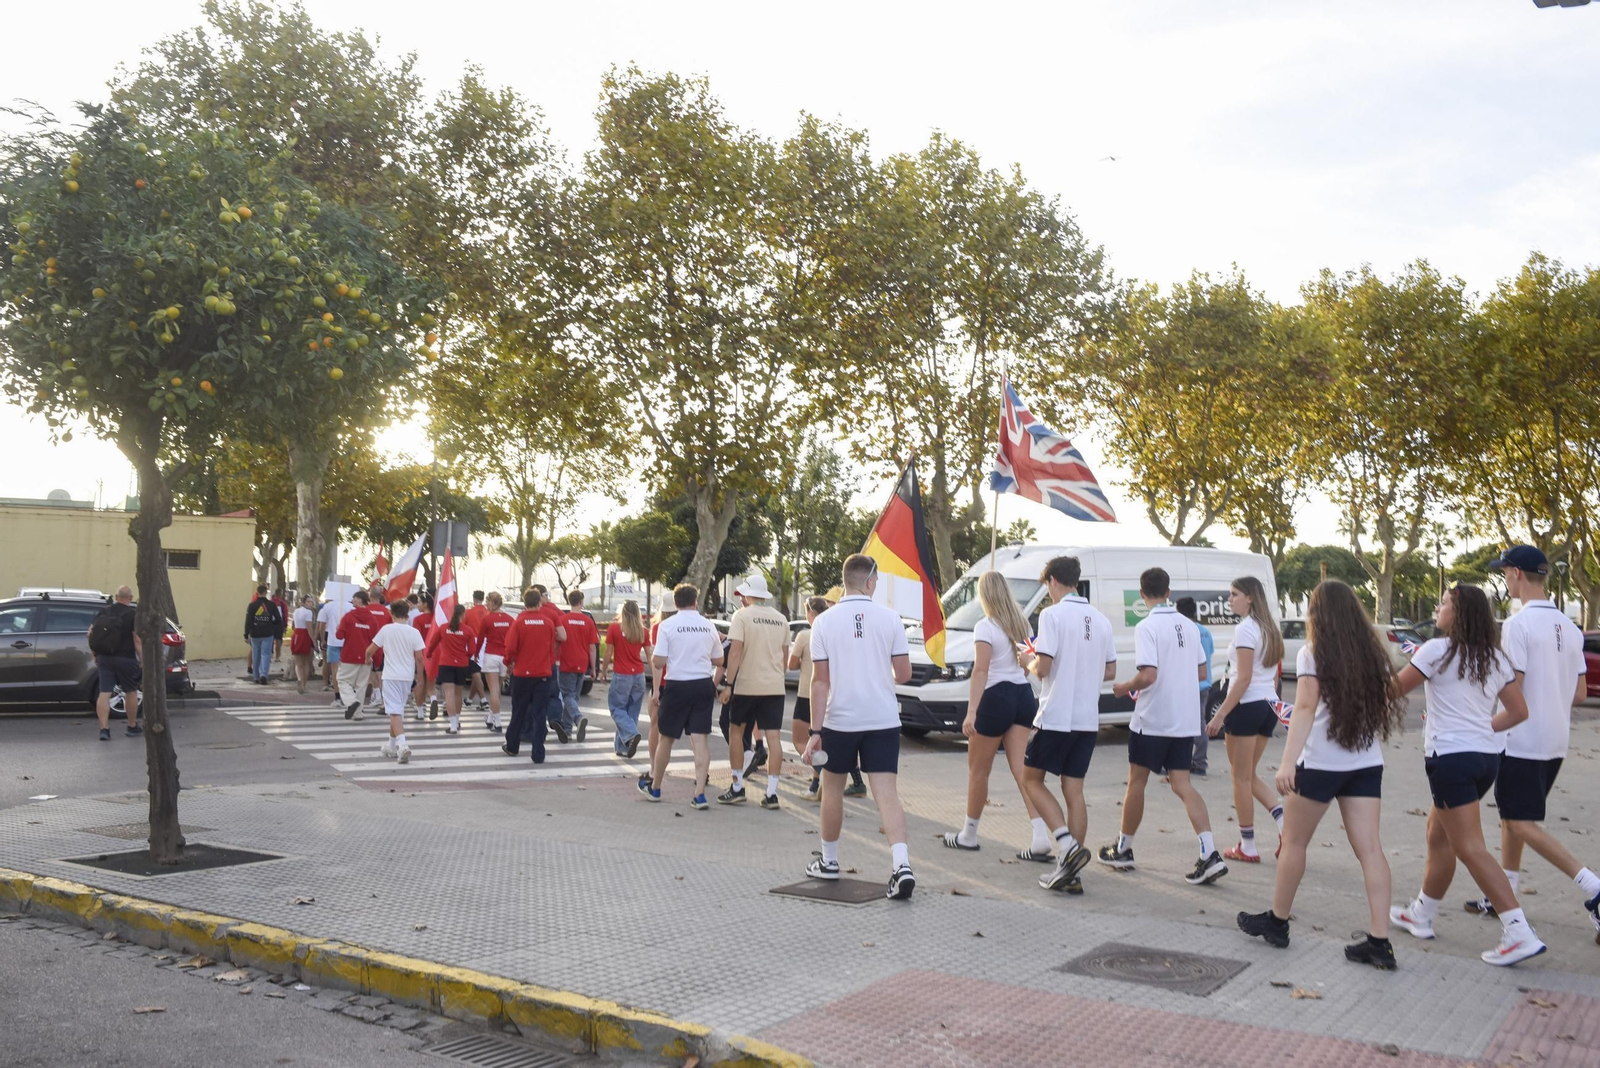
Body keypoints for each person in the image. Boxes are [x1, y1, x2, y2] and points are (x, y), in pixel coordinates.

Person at [1236, 579, 1404, 969]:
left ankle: (1277, 922)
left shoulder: (1314, 653)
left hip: (1321, 763)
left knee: (1294, 843)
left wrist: (1287, 763)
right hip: (1365, 763)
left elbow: (1306, 708)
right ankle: (1380, 942)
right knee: (1371, 850)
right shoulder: (1373, 654)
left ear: (1317, 613)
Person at [1387, 583, 1546, 967]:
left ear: (1458, 614)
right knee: (1437, 836)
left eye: (1443, 603)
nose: (1439, 608)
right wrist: (1479, 730)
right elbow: (1518, 711)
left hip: (1451, 760)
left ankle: (1518, 930)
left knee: (1470, 847)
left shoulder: (1436, 650)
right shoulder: (1494, 657)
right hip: (1483, 759)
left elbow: (1392, 690)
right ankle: (1420, 914)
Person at [1465, 546, 1600, 935]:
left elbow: (1514, 690)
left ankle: (1593, 886)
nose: (1505, 579)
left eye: (1505, 572)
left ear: (1517, 574)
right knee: (1513, 817)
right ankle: (1504, 891)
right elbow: (1579, 694)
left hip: (1521, 738)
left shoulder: (1518, 625)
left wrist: (1482, 724)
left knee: (1520, 821)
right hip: (1556, 738)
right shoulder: (1570, 628)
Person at [801, 554, 917, 900]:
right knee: (886, 794)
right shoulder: (891, 618)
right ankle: (902, 865)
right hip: (882, 718)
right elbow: (905, 674)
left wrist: (815, 733)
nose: (877, 586)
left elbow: (820, 683)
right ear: (868, 581)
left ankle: (830, 860)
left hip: (840, 719)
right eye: (877, 581)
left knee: (832, 788)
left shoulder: (822, 622)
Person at [1101, 567, 1227, 886]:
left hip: (1153, 719)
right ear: (1168, 592)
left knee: (1137, 783)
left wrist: (1123, 687)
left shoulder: (1147, 627)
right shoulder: (1189, 625)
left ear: (1142, 595)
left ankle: (1124, 849)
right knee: (1183, 785)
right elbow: (1201, 673)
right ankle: (1209, 852)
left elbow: (1148, 675)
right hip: (1185, 720)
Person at [1021, 556, 1116, 893]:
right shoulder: (1101, 620)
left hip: (1056, 713)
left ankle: (1068, 846)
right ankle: (1070, 872)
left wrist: (1026, 661)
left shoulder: (1052, 614)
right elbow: (1110, 671)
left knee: (1031, 779)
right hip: (1087, 718)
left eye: (1047, 586)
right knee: (1074, 791)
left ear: (1053, 582)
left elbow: (1043, 667)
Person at [941, 570, 1049, 856]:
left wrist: (971, 712)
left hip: (995, 697)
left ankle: (969, 834)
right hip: (1023, 696)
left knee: (979, 770)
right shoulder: (1022, 624)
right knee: (1021, 771)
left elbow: (981, 670)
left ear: (984, 595)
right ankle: (1040, 836)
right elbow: (1028, 664)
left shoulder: (985, 627)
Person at [1204, 576, 1287, 863]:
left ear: (1250, 597)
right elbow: (1273, 675)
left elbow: (1243, 678)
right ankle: (1283, 822)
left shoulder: (1246, 630)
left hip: (1247, 705)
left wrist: (1220, 715)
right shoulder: (1269, 629)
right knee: (1248, 775)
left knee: (1239, 778)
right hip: (1267, 706)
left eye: (1234, 594)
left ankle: (1248, 845)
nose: (1229, 599)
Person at [641, 584, 723, 808]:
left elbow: (658, 662)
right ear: (696, 601)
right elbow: (719, 660)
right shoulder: (708, 626)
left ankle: (656, 788)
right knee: (700, 739)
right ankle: (700, 794)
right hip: (703, 685)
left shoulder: (667, 626)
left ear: (676, 603)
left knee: (666, 738)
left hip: (677, 686)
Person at [716, 575, 790, 808]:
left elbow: (735, 653)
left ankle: (737, 787)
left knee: (736, 732)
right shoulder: (781, 619)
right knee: (774, 738)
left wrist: (728, 685)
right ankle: (772, 793)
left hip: (747, 685)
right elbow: (784, 657)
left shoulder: (742, 616)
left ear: (748, 595)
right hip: (774, 687)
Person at [790, 596, 868, 801]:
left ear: (811, 613)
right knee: (833, 742)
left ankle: (820, 776)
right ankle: (829, 780)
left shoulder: (806, 635)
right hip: (835, 693)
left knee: (801, 740)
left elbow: (791, 664)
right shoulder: (840, 632)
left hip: (808, 692)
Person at [502, 588, 563, 764]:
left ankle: (513, 746)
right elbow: (551, 648)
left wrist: (509, 663)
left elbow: (511, 647)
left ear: (524, 603)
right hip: (543, 673)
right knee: (539, 713)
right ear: (539, 603)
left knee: (519, 711)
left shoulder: (519, 623)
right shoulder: (548, 623)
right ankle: (538, 753)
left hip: (522, 674)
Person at [367, 601, 426, 764]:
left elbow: (370, 649)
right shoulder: (414, 632)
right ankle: (390, 745)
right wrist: (419, 677)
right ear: (407, 615)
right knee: (397, 710)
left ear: (392, 614)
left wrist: (367, 659)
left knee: (394, 712)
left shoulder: (386, 630)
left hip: (391, 675)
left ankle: (402, 745)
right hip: (407, 676)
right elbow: (420, 658)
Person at [89, 585, 142, 741]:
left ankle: (104, 729)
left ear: (116, 596)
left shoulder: (103, 612)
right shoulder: (132, 614)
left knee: (104, 692)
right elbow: (137, 640)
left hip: (105, 658)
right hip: (126, 659)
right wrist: (142, 660)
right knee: (130, 691)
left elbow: (90, 634)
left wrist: (95, 655)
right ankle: (132, 726)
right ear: (130, 598)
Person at [605, 600, 650, 758]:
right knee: (631, 712)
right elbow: (650, 655)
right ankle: (622, 747)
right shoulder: (643, 631)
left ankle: (631, 734)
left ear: (623, 612)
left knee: (616, 709)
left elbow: (608, 652)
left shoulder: (615, 629)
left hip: (621, 674)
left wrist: (603, 671)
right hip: (639, 675)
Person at [1177, 597, 1216, 777]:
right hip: (1204, 685)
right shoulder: (1205, 631)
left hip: (1189, 685)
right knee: (1199, 723)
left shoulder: (1185, 631)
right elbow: (1210, 653)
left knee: (1186, 725)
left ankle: (1197, 762)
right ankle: (1199, 760)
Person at [426, 603, 478, 735]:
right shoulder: (468, 630)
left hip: (446, 664)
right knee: (458, 694)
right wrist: (465, 656)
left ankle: (453, 725)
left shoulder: (444, 628)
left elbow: (433, 643)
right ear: (463, 615)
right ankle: (458, 720)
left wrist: (429, 654)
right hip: (461, 664)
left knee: (448, 694)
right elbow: (472, 650)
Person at [556, 590, 599, 743]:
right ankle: (567, 731)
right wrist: (593, 668)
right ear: (581, 602)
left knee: (567, 696)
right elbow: (592, 647)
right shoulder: (588, 621)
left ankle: (578, 718)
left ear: (569, 601)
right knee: (573, 697)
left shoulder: (563, 619)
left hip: (566, 662)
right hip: (582, 662)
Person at [334, 589, 380, 720]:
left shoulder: (349, 616)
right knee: (361, 685)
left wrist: (338, 628)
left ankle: (351, 702)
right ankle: (358, 713)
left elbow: (339, 635)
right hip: (366, 656)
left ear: (359, 600)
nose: (352, 600)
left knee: (343, 680)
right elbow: (375, 639)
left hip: (349, 655)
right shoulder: (372, 618)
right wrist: (375, 658)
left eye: (354, 598)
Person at [477, 592, 515, 733]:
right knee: (497, 689)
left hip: (491, 655)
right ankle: (490, 718)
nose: (486, 604)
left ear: (492, 603)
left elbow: (480, 639)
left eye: (487, 602)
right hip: (504, 657)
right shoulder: (510, 619)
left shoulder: (487, 619)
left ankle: (498, 723)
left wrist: (475, 654)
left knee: (493, 690)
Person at [244, 584, 281, 685]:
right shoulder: (271, 605)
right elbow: (278, 619)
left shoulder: (252, 605)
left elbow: (248, 621)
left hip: (255, 633)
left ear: (257, 592)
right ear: (266, 592)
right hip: (268, 633)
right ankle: (263, 674)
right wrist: (271, 624)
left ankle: (256, 676)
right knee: (266, 654)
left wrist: (246, 633)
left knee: (256, 654)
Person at [411, 592, 438, 721]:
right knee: (431, 685)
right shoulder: (436, 619)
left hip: (421, 654)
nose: (418, 605)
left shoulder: (418, 620)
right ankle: (433, 699)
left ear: (425, 604)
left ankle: (420, 711)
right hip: (434, 655)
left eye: (420, 602)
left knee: (419, 683)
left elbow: (415, 638)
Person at [464, 590, 489, 712]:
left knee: (475, 672)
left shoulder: (468, 612)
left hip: (473, 641)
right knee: (477, 672)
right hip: (487, 642)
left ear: (474, 598)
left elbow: (463, 627)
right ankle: (469, 699)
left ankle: (484, 700)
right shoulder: (488, 612)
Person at [316, 594, 343, 693]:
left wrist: (320, 639)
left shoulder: (325, 609)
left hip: (328, 635)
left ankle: (327, 683)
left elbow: (320, 626)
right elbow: (320, 625)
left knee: (327, 662)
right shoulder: (344, 607)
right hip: (335, 635)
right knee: (335, 663)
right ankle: (330, 682)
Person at [290, 594, 316, 693]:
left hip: (296, 634)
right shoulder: (308, 612)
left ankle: (299, 679)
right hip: (305, 636)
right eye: (308, 601)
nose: (310, 603)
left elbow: (292, 625)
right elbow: (309, 627)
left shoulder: (296, 611)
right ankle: (304, 685)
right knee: (306, 663)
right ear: (304, 602)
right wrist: (313, 640)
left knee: (298, 662)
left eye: (311, 601)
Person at [271, 588, 289, 664]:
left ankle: (270, 656)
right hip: (279, 623)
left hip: (270, 623)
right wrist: (285, 625)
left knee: (270, 640)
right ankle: (277, 657)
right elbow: (285, 614)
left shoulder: (270, 602)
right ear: (280, 594)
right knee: (278, 640)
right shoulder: (282, 603)